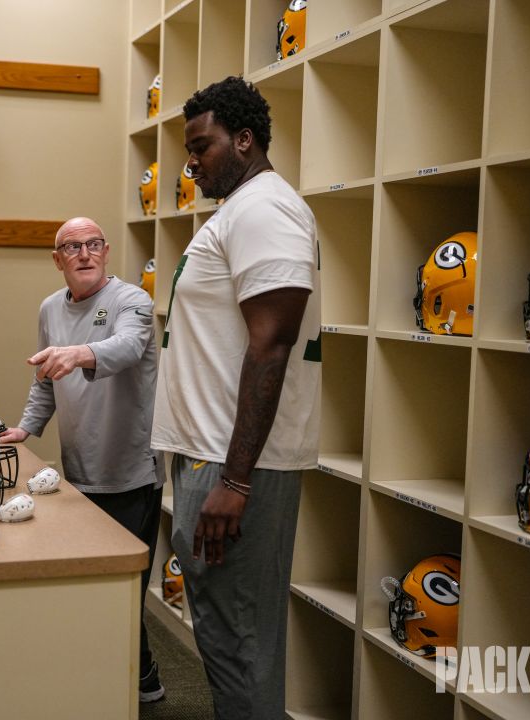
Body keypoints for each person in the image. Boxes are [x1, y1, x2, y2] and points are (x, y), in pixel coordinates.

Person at [150, 76, 322, 719]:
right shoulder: (239, 212)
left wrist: (237, 480)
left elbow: (271, 345)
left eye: (201, 147)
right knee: (226, 640)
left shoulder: (264, 209)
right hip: (212, 457)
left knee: (239, 643)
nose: (189, 163)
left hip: (233, 465)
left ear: (244, 141)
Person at [0, 217, 167, 702]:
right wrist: (27, 428)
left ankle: (138, 681)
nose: (84, 253)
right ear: (58, 259)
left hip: (131, 472)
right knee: (91, 586)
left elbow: (130, 346)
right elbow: (45, 380)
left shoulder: (130, 300)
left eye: (93, 244)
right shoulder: (50, 308)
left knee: (123, 592)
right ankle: (109, 678)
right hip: (78, 473)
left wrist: (79, 353)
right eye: (72, 246)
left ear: (107, 251)